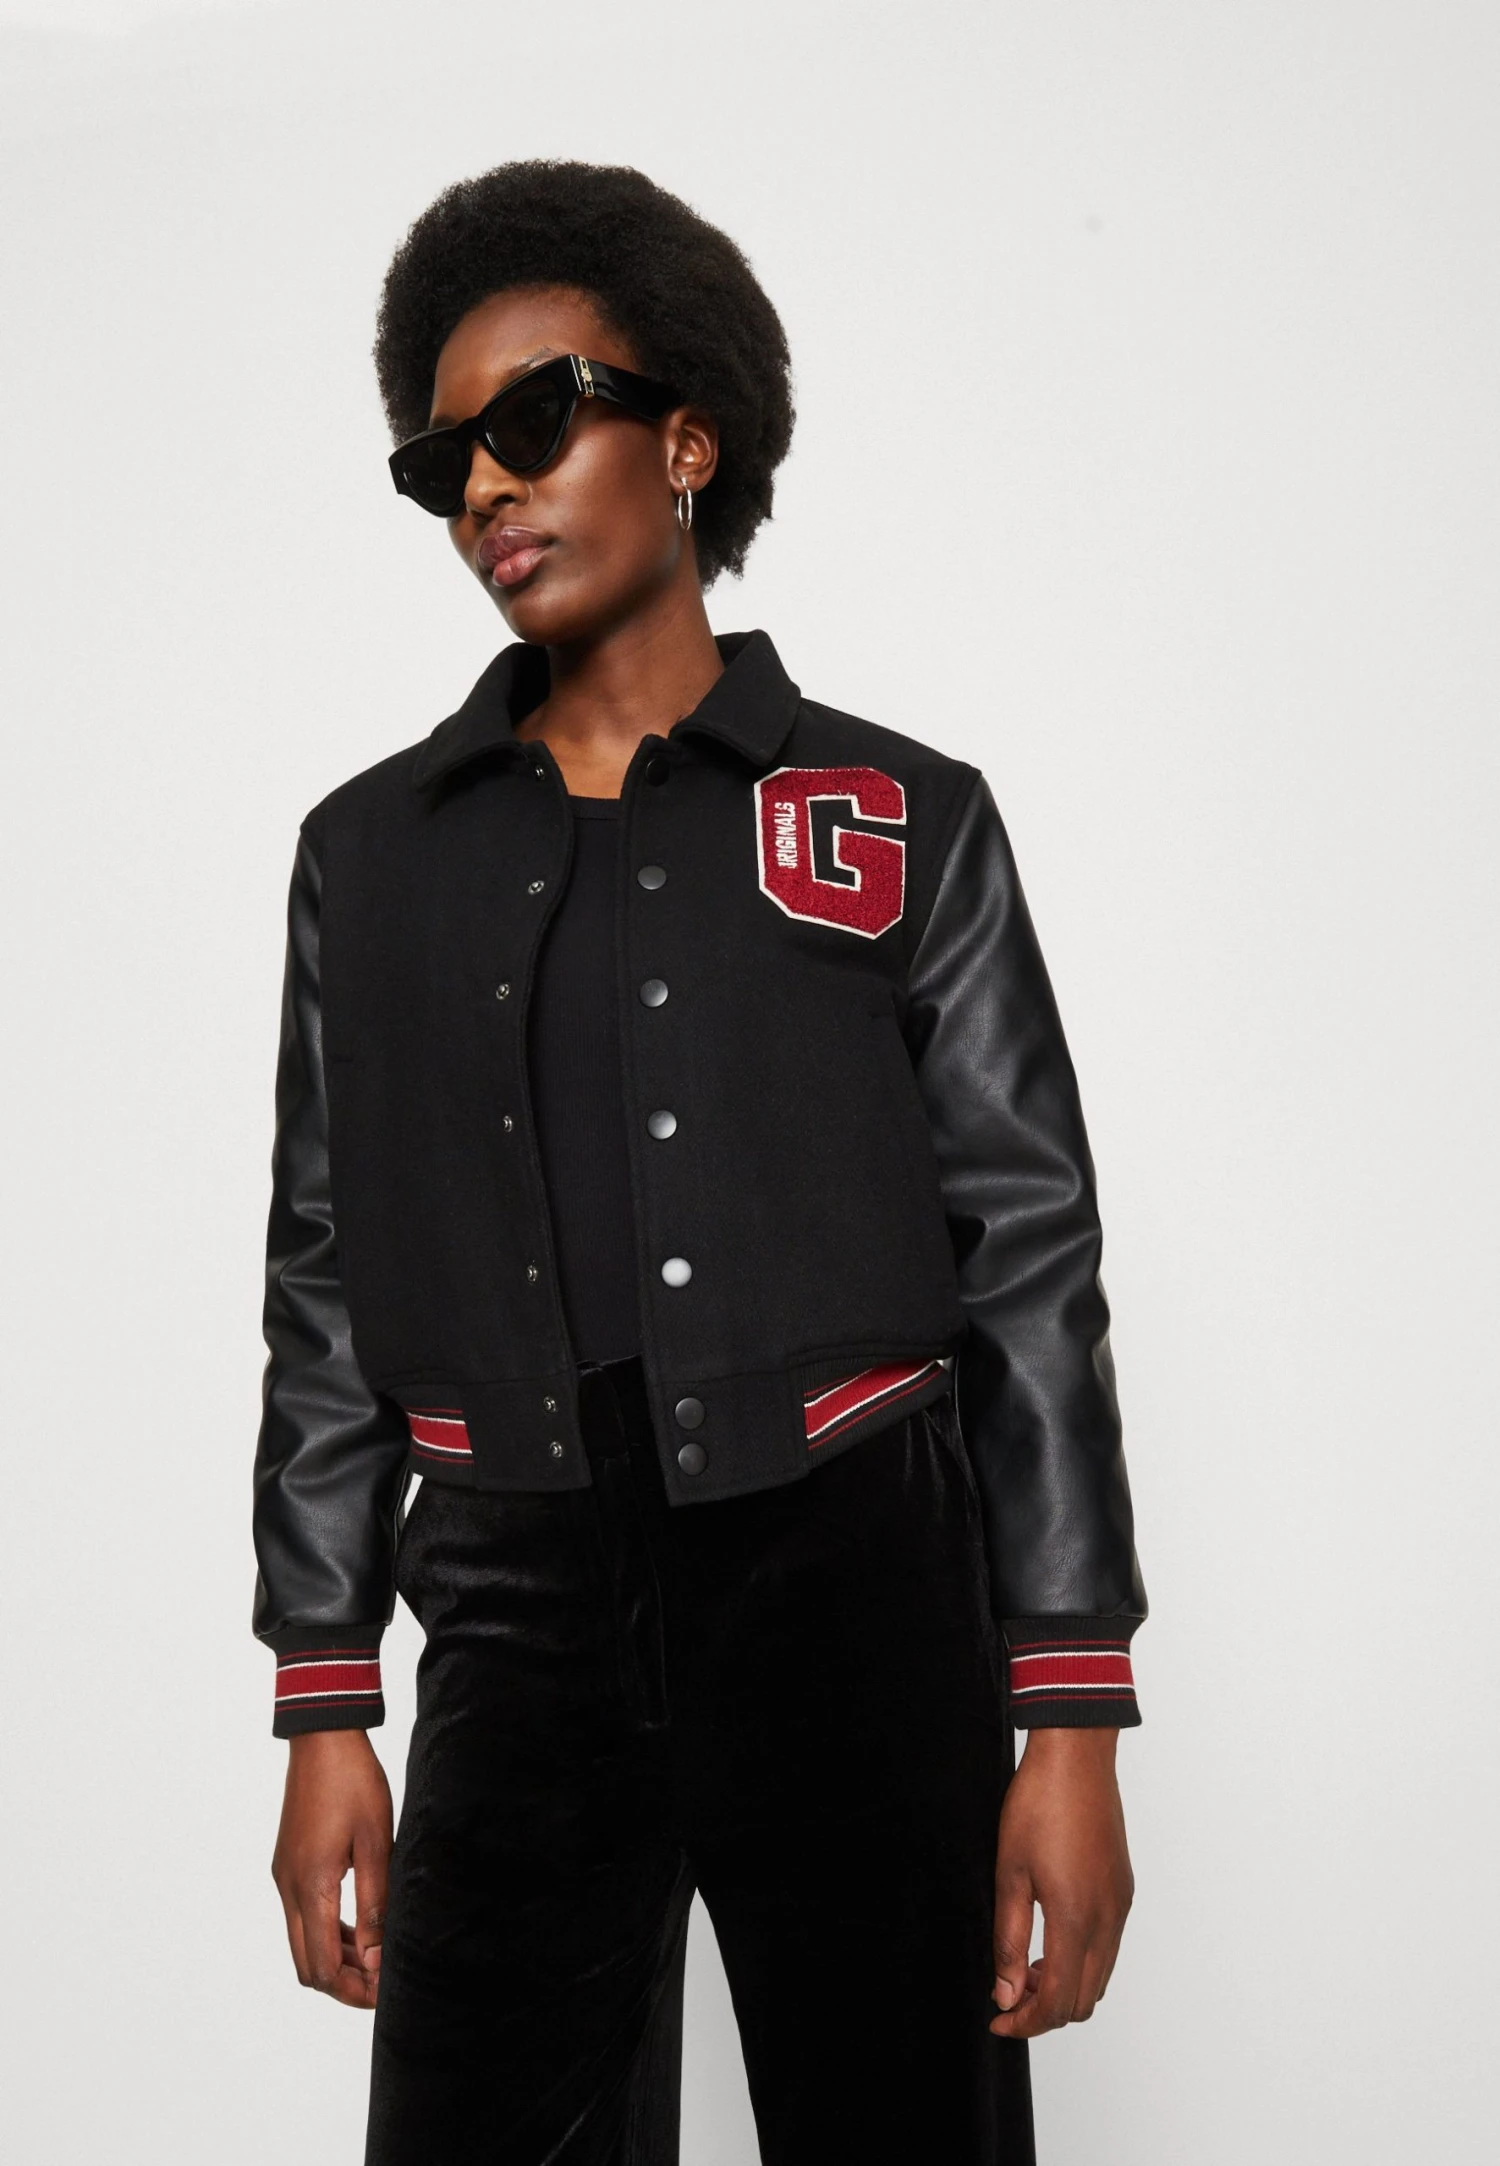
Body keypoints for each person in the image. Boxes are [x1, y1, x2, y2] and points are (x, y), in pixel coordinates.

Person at [252, 159, 1147, 2166]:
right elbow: (324, 1275)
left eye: (534, 417)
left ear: (687, 436)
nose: (487, 487)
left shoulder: (902, 818)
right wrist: (325, 1698)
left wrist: (1072, 1713)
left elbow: (1027, 1259)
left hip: (856, 1580)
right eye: (445, 462)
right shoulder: (369, 857)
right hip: (512, 1598)